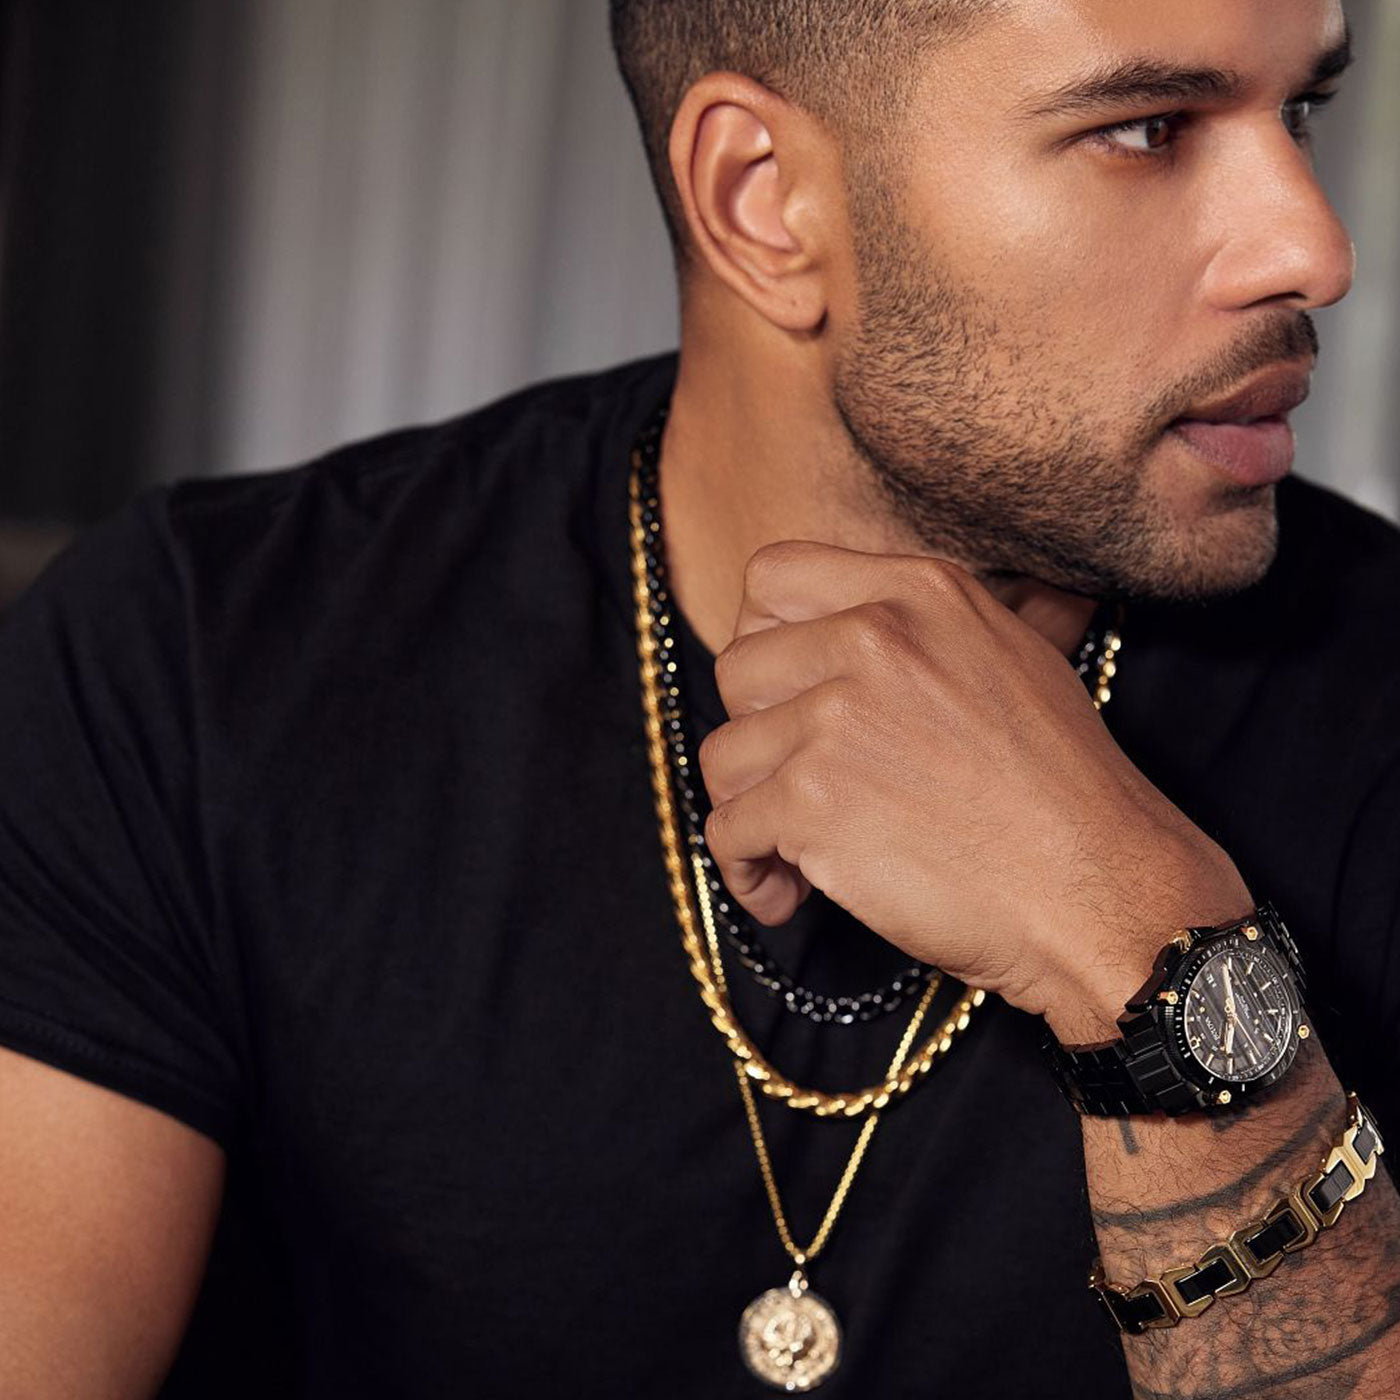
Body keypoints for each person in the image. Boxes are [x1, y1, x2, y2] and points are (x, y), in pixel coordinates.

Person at [0, 0, 1397, 1395]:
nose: (1314, 250)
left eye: (1301, 113)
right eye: (1144, 131)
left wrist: (1151, 953)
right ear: (762, 200)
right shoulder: (195, 661)